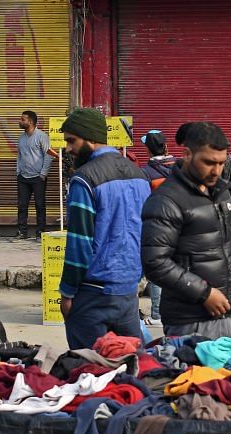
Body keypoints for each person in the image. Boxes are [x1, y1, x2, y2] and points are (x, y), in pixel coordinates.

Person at [141, 122, 231, 340]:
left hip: (230, 313)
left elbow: (226, 248)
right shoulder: (166, 200)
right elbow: (155, 262)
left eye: (221, 163)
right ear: (187, 154)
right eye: (209, 163)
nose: (216, 171)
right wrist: (204, 293)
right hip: (190, 321)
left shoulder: (221, 193)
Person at [58, 108, 151, 350]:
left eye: (71, 140)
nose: (68, 149)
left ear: (89, 137)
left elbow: (79, 243)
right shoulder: (139, 175)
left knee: (89, 373)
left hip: (93, 294)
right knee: (132, 366)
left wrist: (67, 293)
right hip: (128, 290)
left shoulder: (84, 180)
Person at [140, 129, 176, 327]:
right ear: (166, 146)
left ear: (147, 149)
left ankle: (157, 315)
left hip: (157, 227)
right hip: (181, 225)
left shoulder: (146, 173)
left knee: (157, 273)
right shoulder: (181, 166)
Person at [16, 110, 52, 241]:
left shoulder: (41, 136)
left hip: (38, 177)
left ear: (30, 122)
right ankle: (22, 232)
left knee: (39, 205)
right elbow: (19, 155)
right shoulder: (22, 137)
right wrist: (18, 172)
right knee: (22, 205)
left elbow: (49, 155)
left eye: (23, 119)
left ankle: (40, 233)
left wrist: (43, 174)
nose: (20, 121)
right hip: (23, 177)